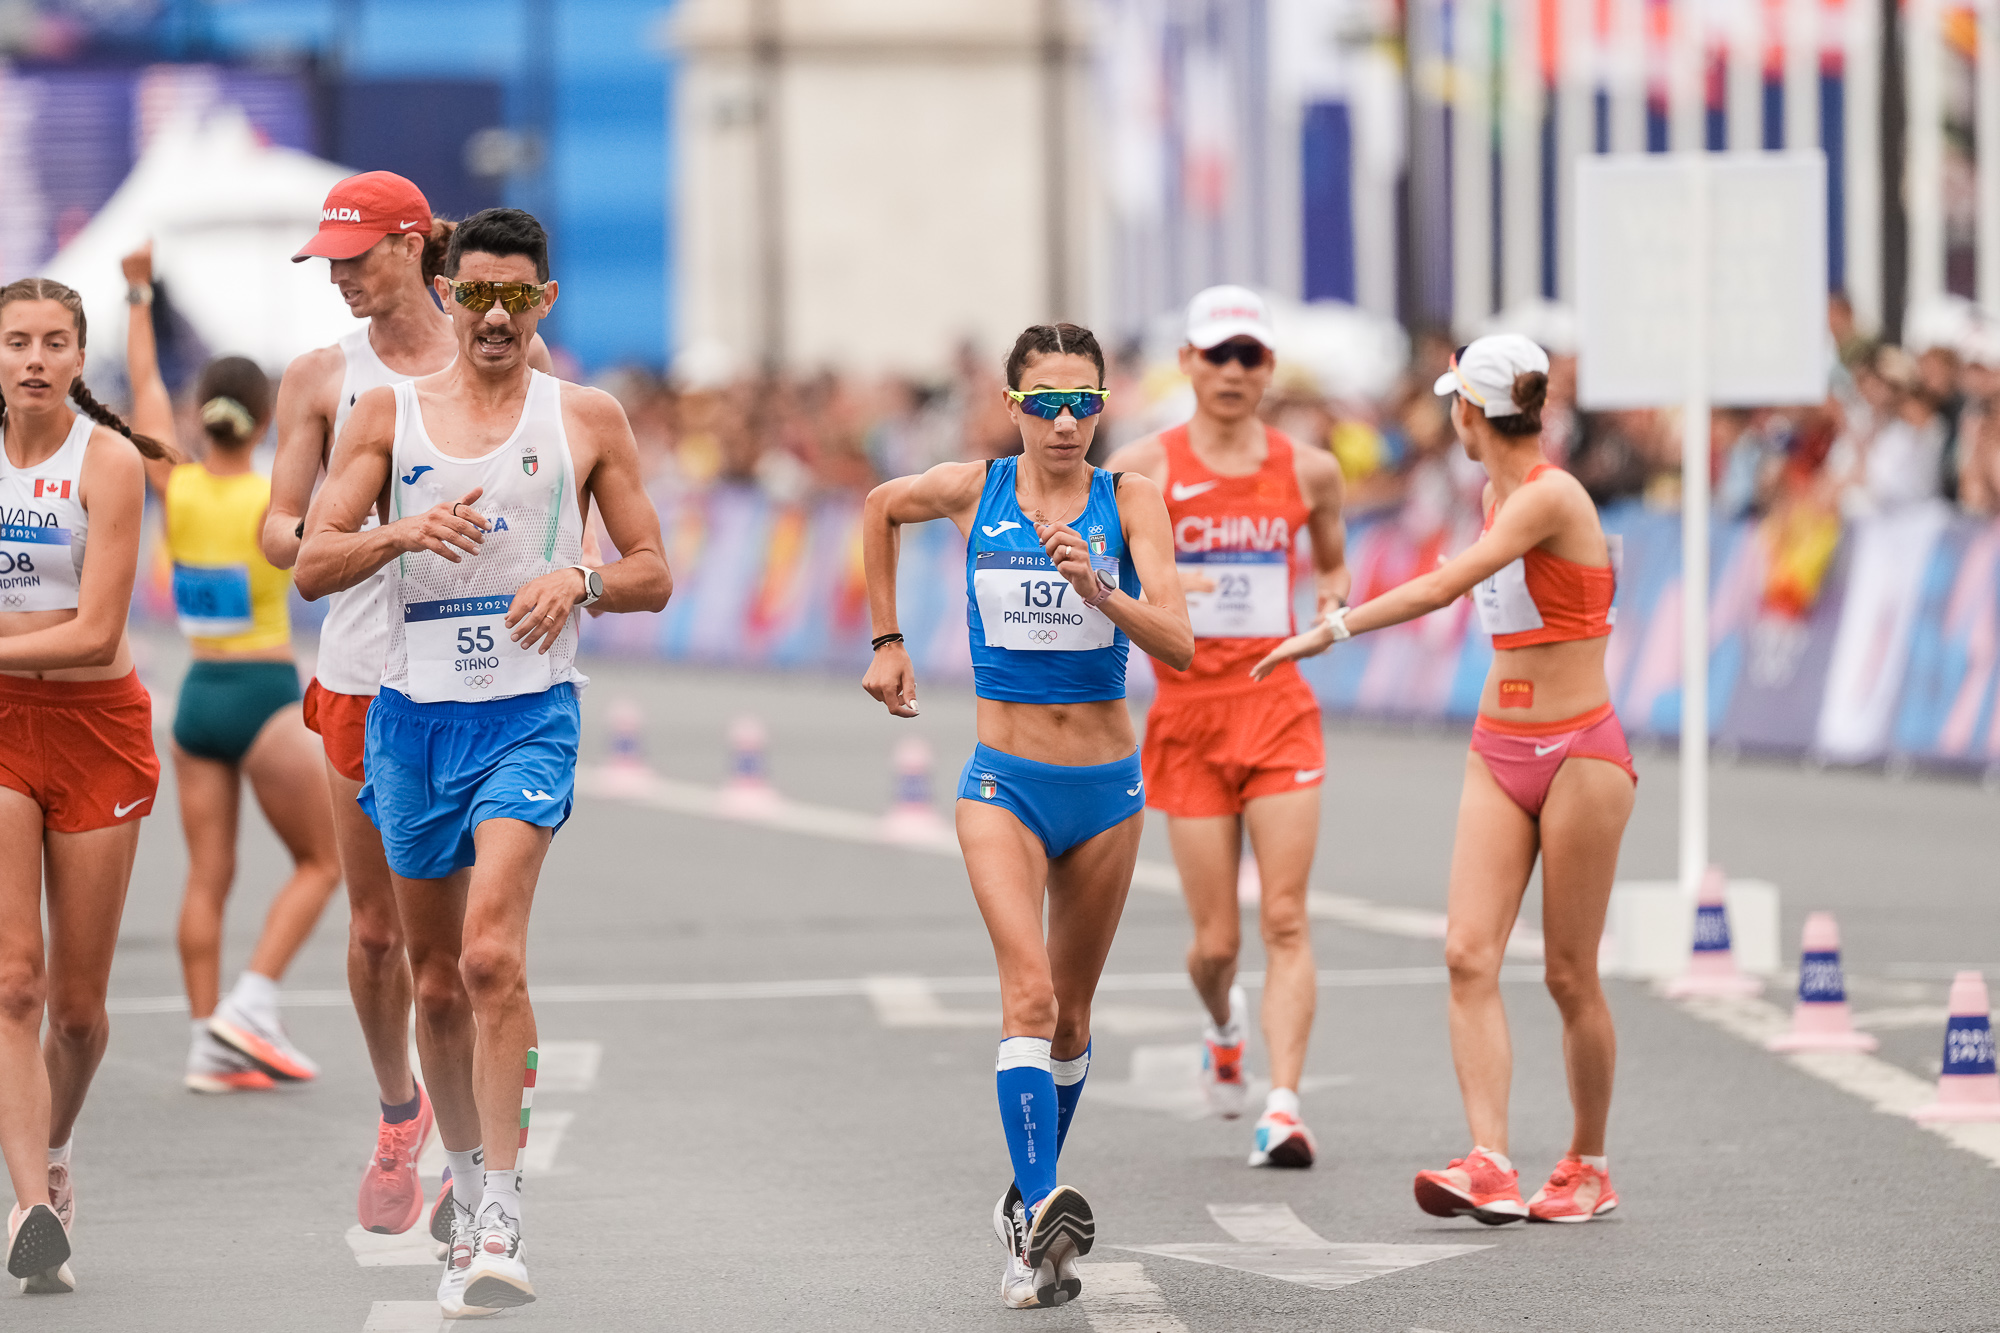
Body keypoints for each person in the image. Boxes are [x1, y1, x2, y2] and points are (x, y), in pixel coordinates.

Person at [297, 207, 670, 1316]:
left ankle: (502, 1209)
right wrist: (400, 533)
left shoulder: (585, 416)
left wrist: (582, 580)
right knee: (433, 978)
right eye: (477, 294)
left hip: (528, 715)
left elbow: (653, 568)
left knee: (492, 955)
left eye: (517, 297)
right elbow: (313, 559)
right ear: (448, 293)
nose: (496, 316)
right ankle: (462, 1191)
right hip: (412, 721)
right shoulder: (386, 412)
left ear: (544, 301)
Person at [1254, 333, 1634, 1226]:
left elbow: (1442, 587)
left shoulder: (1550, 496)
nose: (1446, 418)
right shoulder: (1497, 495)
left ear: (1471, 411)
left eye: (1452, 403)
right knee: (1466, 952)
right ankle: (1490, 1159)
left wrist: (1328, 631)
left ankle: (1588, 1162)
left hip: (1580, 751)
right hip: (1498, 746)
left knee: (1569, 974)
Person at [861, 323, 1193, 1308]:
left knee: (1073, 1016)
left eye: (1082, 402)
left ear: (1103, 406)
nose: (1063, 422)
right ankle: (1042, 1205)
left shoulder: (1130, 500)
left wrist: (1100, 588)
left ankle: (1025, 1205)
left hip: (1105, 791)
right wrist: (886, 640)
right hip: (1002, 783)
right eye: (1044, 403)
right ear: (1012, 406)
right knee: (1030, 996)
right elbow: (879, 507)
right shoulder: (976, 490)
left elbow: (1178, 642)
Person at [262, 171, 552, 1236]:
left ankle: (482, 1166)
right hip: (360, 675)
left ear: (414, 245)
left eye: (356, 256)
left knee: (481, 950)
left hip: (489, 684)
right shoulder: (321, 378)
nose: (340, 275)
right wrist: (370, 525)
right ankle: (400, 1112)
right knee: (379, 934)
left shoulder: (512, 355)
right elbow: (279, 531)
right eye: (328, 261)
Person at [1105, 286, 1349, 1168]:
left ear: (1270, 367)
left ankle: (1283, 1106)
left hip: (1277, 708)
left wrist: (1330, 607)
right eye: (1218, 354)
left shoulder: (1310, 469)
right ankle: (1222, 1024)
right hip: (1189, 715)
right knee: (1217, 944)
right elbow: (1102, 581)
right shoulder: (1142, 468)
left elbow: (1333, 562)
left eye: (1250, 355)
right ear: (1187, 362)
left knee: (1285, 916)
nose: (1234, 371)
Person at [119, 244, 343, 1096]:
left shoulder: (174, 486)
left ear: (203, 413)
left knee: (208, 876)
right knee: (323, 861)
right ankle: (252, 1002)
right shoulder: (270, 500)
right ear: (262, 420)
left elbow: (144, 387)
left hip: (198, 696)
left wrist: (138, 294)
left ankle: (203, 1039)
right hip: (263, 692)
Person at [0, 277, 172, 1294]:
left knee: (74, 1009)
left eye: (53, 342)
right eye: (16, 341)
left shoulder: (107, 460)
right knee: (12, 980)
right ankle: (28, 1203)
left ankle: (55, 1150)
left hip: (96, 727)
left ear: (78, 355)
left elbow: (98, 634)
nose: (34, 359)